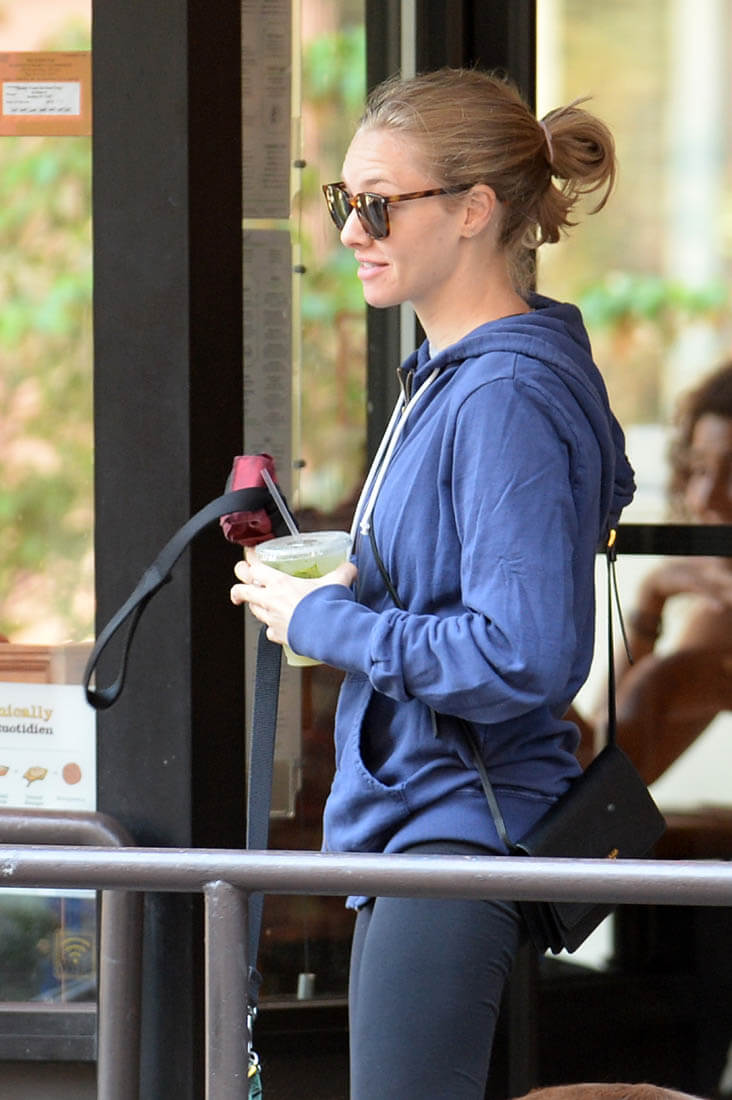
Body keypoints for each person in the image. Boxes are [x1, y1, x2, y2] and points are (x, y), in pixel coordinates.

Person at [231, 67, 634, 1099]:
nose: (350, 231)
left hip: (457, 824)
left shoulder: (503, 392)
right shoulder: (460, 376)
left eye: (378, 204)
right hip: (430, 820)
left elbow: (523, 652)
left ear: (473, 210)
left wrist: (329, 621)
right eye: (344, 200)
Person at [577, 361, 732, 784]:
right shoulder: (717, 606)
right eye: (699, 469)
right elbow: (607, 750)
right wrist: (652, 597)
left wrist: (657, 680)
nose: (704, 498)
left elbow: (608, 773)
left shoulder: (720, 615)